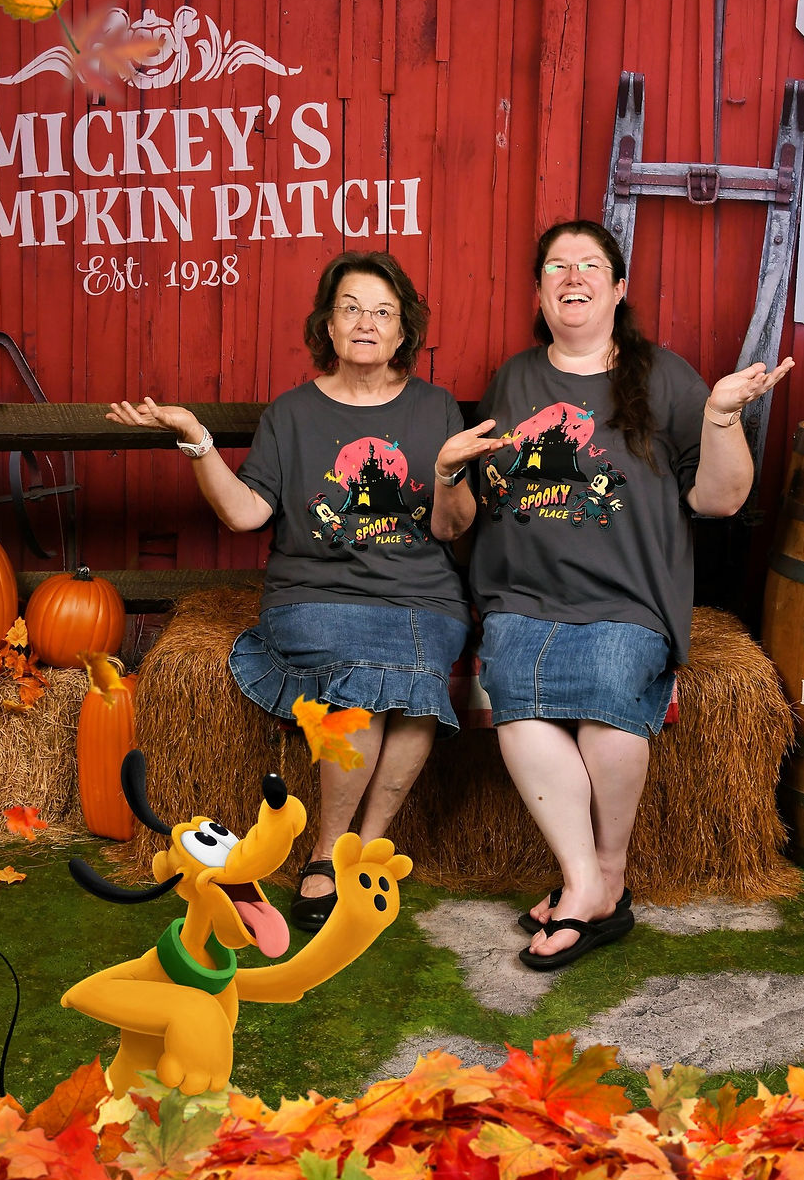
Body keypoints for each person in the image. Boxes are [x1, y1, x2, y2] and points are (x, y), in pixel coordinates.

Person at [108, 250, 507, 933]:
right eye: (351, 307)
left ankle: (360, 848)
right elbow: (244, 514)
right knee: (364, 679)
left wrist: (445, 473)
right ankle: (326, 850)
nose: (365, 322)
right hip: (313, 597)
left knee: (413, 681)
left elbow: (452, 526)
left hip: (420, 597)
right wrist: (198, 440)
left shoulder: (434, 406)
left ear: (403, 331)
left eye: (382, 312)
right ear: (327, 322)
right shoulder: (291, 414)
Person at [465, 220, 794, 971]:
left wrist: (720, 416)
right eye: (556, 265)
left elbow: (718, 498)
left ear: (618, 288)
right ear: (540, 289)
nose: (571, 276)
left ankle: (600, 878)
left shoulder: (665, 378)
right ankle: (593, 883)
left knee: (611, 690)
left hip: (627, 597)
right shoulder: (514, 378)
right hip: (522, 596)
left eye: (590, 265)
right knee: (515, 684)